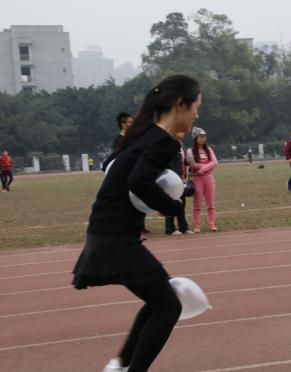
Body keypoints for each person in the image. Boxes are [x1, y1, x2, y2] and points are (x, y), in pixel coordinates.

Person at [72, 75, 201, 372]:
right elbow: (139, 181)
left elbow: (120, 175)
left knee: (159, 299)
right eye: (196, 106)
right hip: (116, 236)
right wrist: (173, 206)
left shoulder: (143, 134)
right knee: (169, 306)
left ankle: (119, 365)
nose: (197, 114)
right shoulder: (163, 141)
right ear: (180, 105)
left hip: (107, 230)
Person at [187, 127, 218, 233]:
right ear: (195, 138)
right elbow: (192, 164)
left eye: (205, 136)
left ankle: (212, 222)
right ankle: (197, 224)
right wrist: (205, 167)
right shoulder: (190, 151)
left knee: (210, 202)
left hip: (208, 177)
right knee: (197, 203)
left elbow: (214, 162)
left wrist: (203, 169)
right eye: (201, 136)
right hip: (197, 179)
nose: (204, 138)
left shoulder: (209, 150)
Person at [165, 132, 193, 236]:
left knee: (182, 203)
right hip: (173, 178)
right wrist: (176, 175)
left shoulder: (181, 143)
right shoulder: (170, 143)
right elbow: (169, 162)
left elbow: (183, 160)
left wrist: (189, 162)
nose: (183, 133)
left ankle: (183, 227)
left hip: (182, 178)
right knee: (172, 202)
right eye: (180, 131)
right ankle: (170, 228)